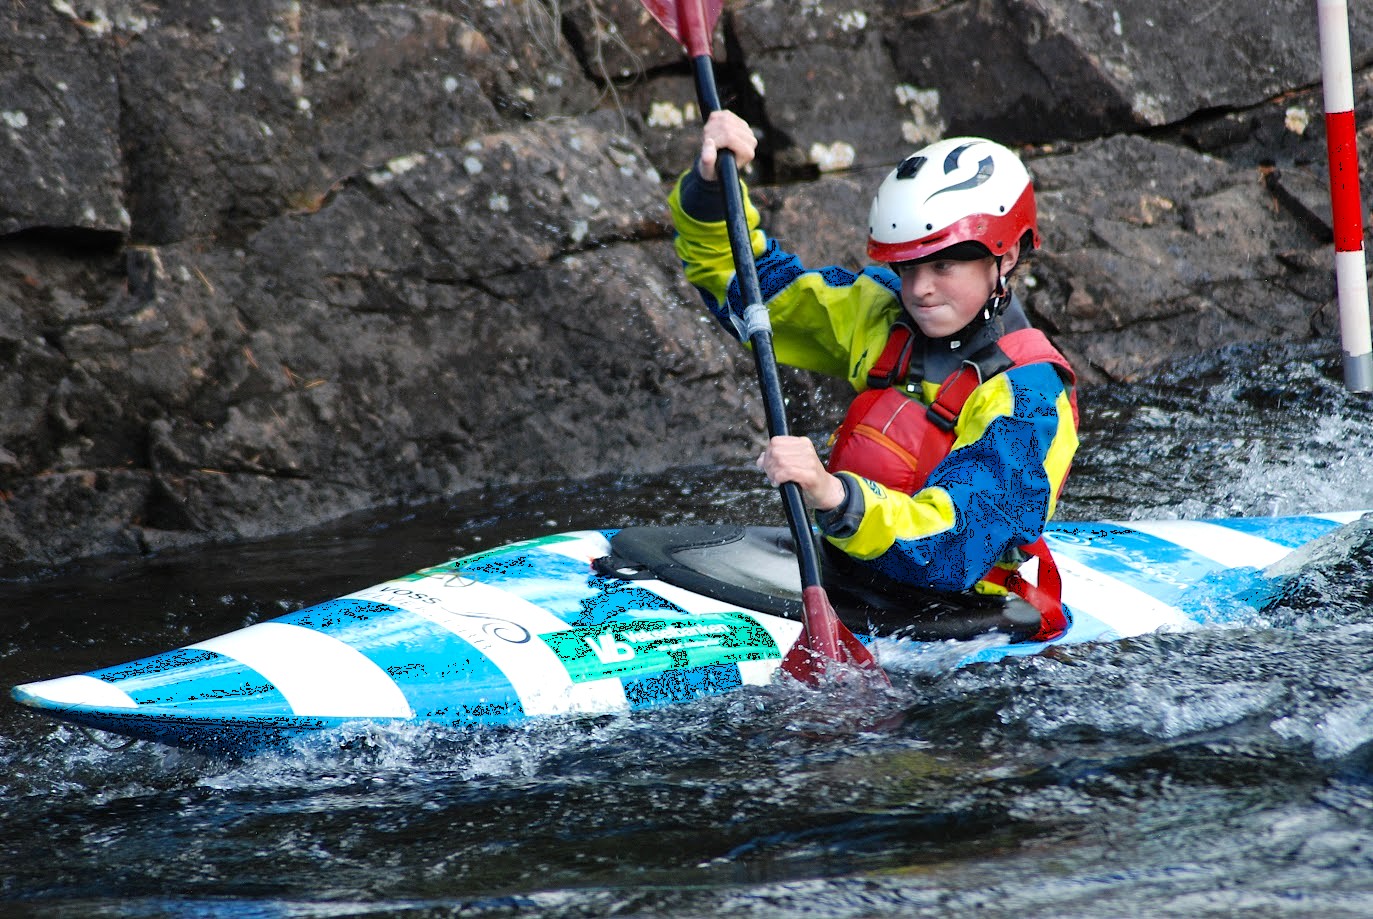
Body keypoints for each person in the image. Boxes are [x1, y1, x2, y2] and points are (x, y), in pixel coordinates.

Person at [668, 110, 1080, 642]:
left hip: (953, 612)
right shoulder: (880, 313)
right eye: (908, 267)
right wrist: (711, 187)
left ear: (1007, 256)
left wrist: (833, 495)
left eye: (943, 266)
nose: (920, 289)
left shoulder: (1028, 396)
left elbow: (958, 542)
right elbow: (749, 288)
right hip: (850, 572)